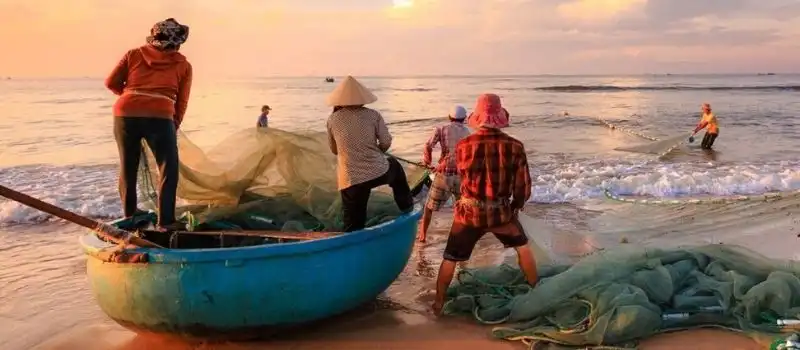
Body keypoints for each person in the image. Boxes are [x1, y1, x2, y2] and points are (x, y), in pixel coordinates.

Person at [432, 93, 538, 316]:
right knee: (524, 249)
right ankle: (536, 293)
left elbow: (461, 179)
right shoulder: (515, 146)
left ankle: (438, 303)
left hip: (468, 214)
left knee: (450, 258)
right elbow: (523, 188)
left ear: (477, 118)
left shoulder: (463, 146)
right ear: (500, 117)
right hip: (500, 213)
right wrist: (515, 207)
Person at [104, 18, 192, 231]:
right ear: (178, 42)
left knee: (128, 166)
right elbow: (182, 101)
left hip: (125, 113)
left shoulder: (133, 54)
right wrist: (174, 123)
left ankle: (131, 215)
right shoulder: (183, 65)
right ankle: (167, 221)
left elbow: (110, 83)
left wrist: (131, 96)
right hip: (160, 115)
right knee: (167, 167)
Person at [325, 76, 414, 232]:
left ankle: (353, 248)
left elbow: (334, 150)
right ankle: (407, 209)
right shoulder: (373, 115)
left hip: (350, 178)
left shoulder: (332, 119)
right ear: (362, 98)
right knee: (395, 168)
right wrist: (377, 149)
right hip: (377, 171)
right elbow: (385, 142)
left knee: (353, 224)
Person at [418, 105, 472, 242]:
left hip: (444, 175)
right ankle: (460, 235)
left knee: (429, 207)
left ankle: (423, 236)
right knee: (460, 208)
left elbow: (428, 146)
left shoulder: (441, 129)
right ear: (464, 118)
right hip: (461, 176)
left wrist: (427, 162)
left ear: (449, 117)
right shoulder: (469, 133)